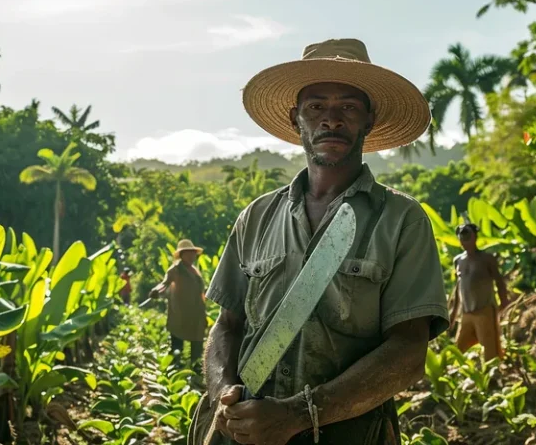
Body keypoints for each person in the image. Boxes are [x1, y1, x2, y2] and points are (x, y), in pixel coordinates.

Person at [189, 39, 450, 445]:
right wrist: (224, 391)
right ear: (297, 120)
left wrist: (298, 415)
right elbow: (227, 325)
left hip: (348, 434)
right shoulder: (256, 218)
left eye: (348, 106)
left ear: (368, 119)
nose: (331, 119)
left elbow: (408, 352)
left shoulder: (401, 220)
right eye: (316, 107)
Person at [450, 223, 508, 361]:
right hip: (466, 313)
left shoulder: (487, 259)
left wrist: (504, 303)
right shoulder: (458, 260)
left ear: (475, 237)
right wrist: (453, 313)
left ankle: (492, 378)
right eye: (462, 235)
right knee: (459, 350)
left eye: (467, 234)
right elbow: (459, 286)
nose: (465, 238)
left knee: (490, 351)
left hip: (484, 311)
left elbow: (499, 282)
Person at [148, 239, 208, 371]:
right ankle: (174, 371)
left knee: (197, 344)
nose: (192, 256)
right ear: (182, 255)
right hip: (180, 313)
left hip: (196, 314)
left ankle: (195, 369)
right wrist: (156, 291)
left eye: (193, 253)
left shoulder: (194, 270)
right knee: (177, 345)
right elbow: (164, 284)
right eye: (189, 253)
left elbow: (201, 292)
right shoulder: (175, 270)